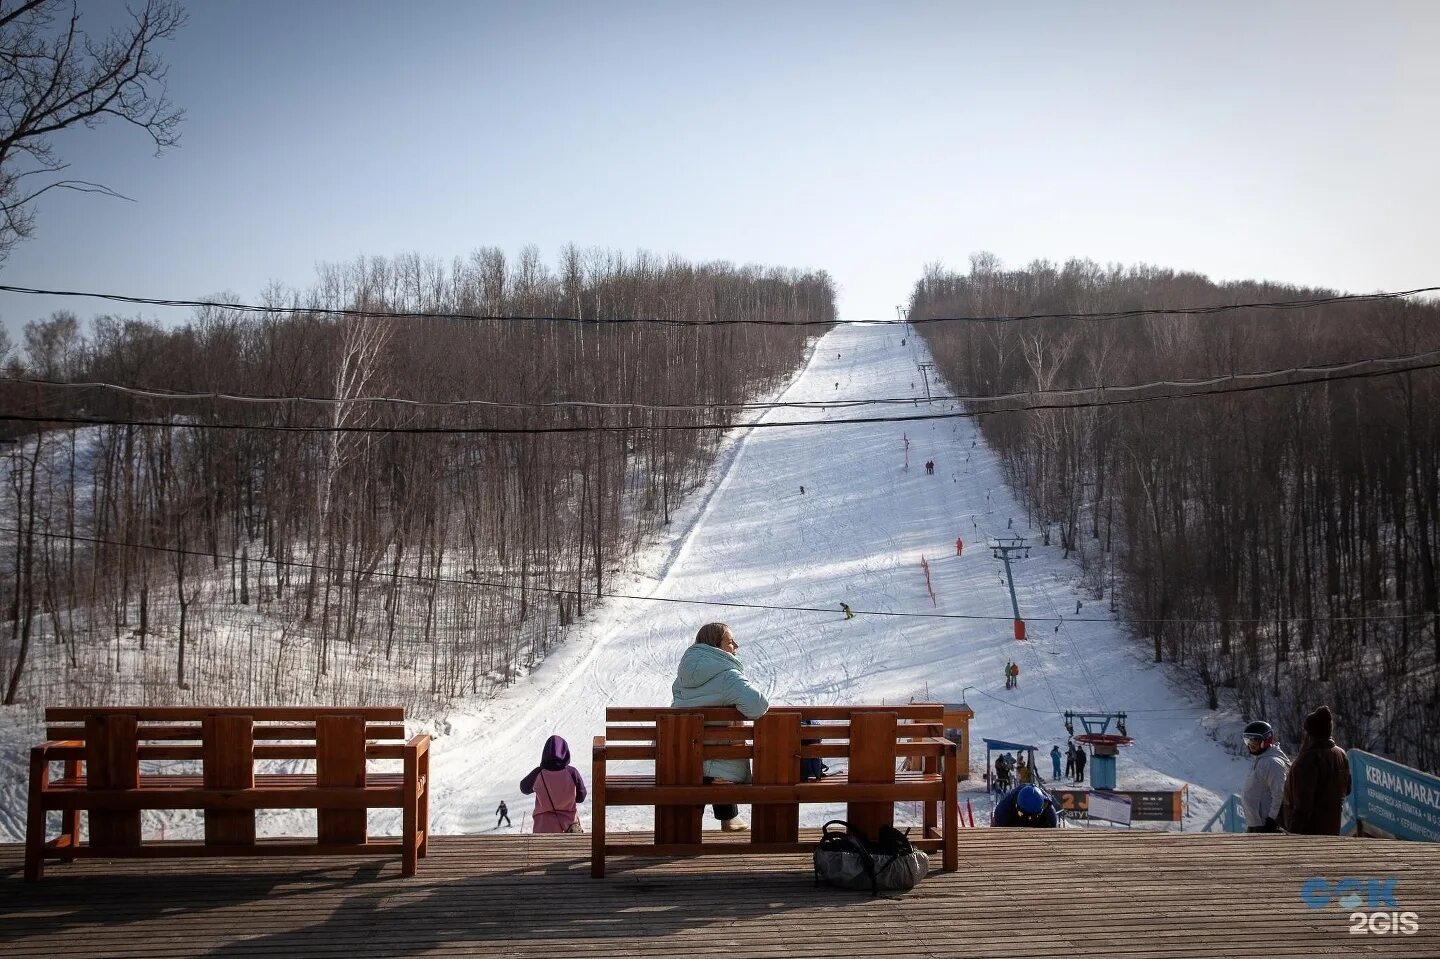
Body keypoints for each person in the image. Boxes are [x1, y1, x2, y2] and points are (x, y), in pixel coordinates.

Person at [671, 622, 770, 832]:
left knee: (705, 757)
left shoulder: (682, 678)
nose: (736, 646)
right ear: (716, 646)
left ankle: (696, 824)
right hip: (715, 759)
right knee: (718, 756)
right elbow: (757, 706)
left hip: (679, 757)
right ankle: (729, 816)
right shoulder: (727, 676)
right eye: (730, 641)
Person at [1283, 706, 1350, 835]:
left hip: (1310, 832)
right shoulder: (1341, 754)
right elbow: (1348, 789)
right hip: (1332, 828)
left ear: (1310, 734)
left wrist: (1293, 832)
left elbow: (1303, 804)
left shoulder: (1307, 760)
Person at [520, 734, 587, 833]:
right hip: (569, 827)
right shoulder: (572, 772)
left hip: (543, 827)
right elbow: (581, 798)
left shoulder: (538, 773)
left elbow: (524, 788)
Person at [1239, 720, 1289, 832]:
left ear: (1266, 740)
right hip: (1256, 822)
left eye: (1254, 740)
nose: (1250, 745)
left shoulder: (1272, 763)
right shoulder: (1261, 759)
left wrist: (1272, 819)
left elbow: (1279, 794)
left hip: (1265, 824)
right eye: (1247, 740)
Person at [992, 784, 1059, 827]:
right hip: (1012, 822)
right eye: (1021, 814)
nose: (1028, 819)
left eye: (1033, 817)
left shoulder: (1049, 814)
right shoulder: (1003, 811)